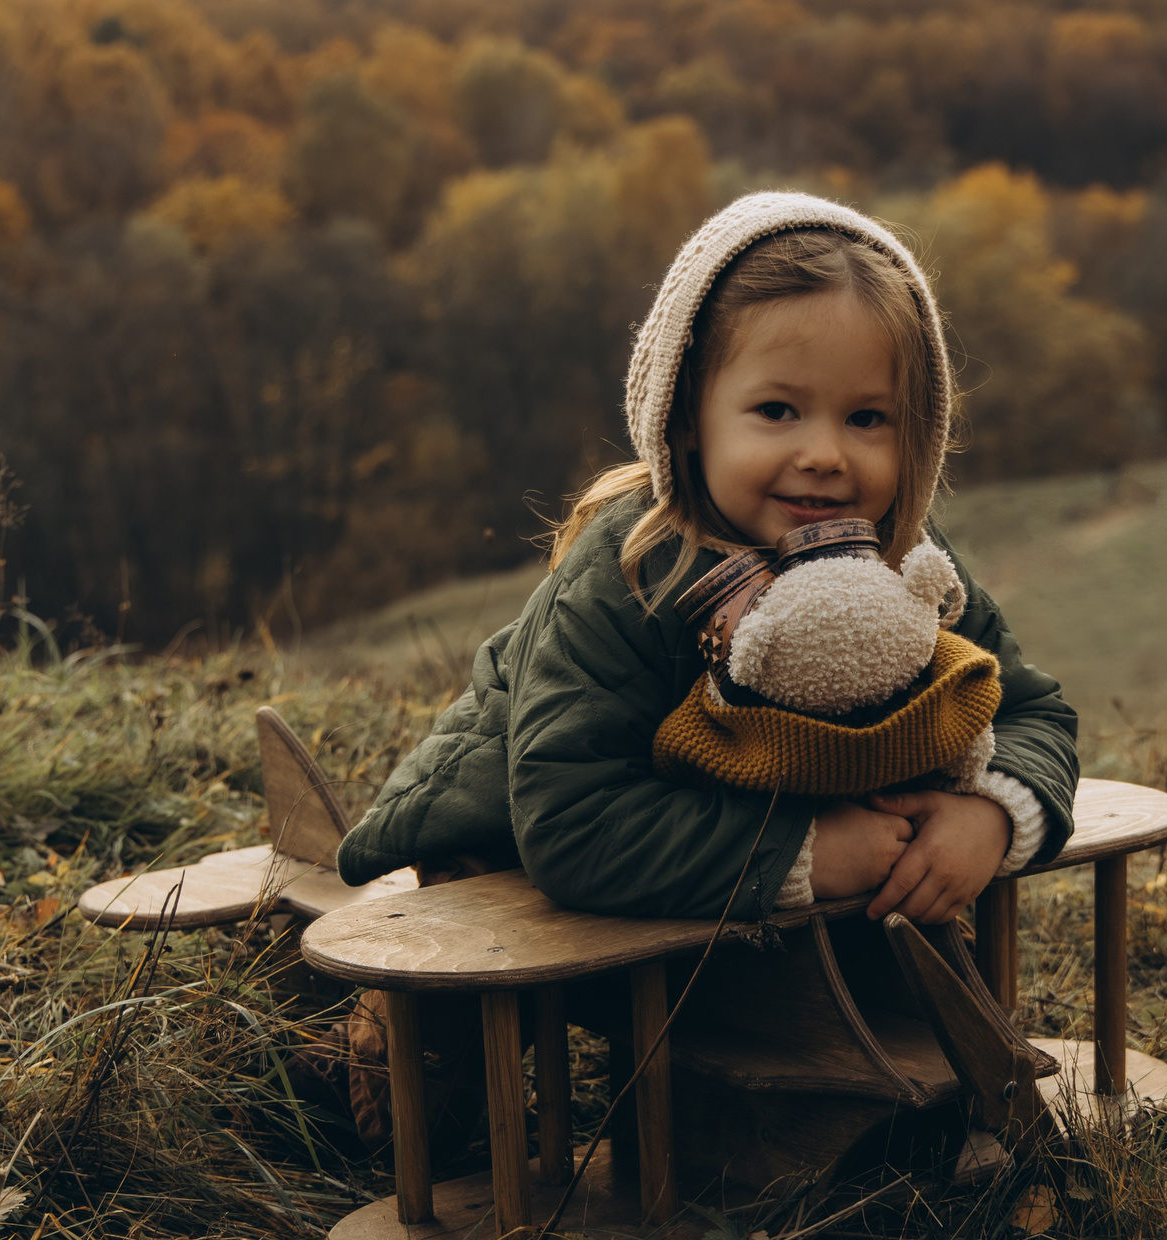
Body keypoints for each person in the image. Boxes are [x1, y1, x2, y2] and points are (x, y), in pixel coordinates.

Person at [337, 192, 1078, 924]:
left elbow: (1033, 711)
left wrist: (993, 816)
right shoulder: (631, 575)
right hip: (505, 845)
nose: (824, 455)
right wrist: (800, 852)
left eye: (866, 418)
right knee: (479, 945)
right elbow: (572, 822)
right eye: (777, 411)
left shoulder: (906, 558)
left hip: (723, 886)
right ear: (689, 414)